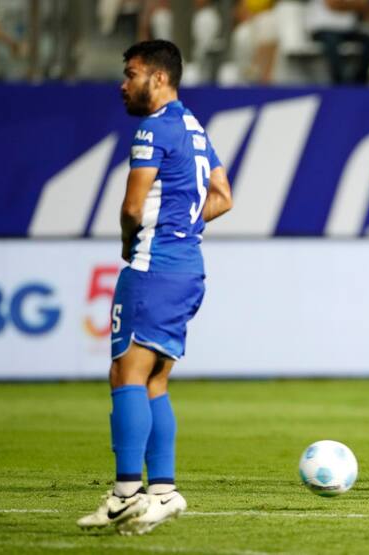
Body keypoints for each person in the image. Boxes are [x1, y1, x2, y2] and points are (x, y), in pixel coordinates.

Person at [77, 40, 232, 535]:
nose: (124, 84)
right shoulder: (193, 127)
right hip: (188, 269)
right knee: (153, 382)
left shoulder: (152, 128)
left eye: (131, 74)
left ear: (159, 79)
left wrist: (132, 243)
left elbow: (130, 207)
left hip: (153, 267)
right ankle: (162, 492)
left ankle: (125, 496)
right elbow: (224, 197)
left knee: (126, 375)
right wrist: (184, 223)